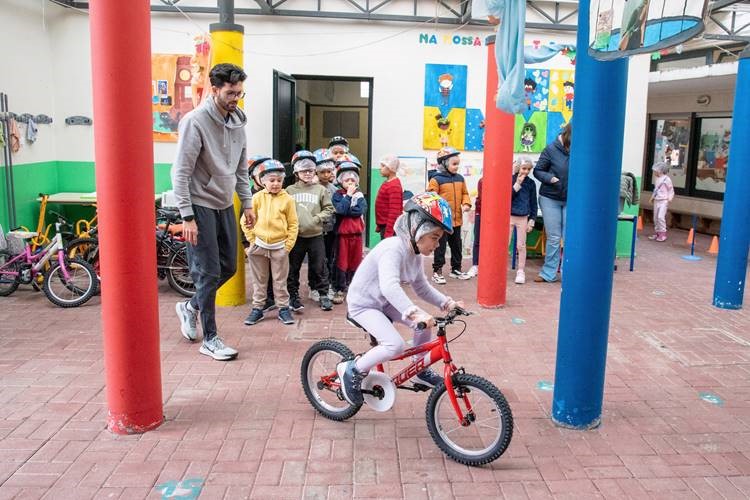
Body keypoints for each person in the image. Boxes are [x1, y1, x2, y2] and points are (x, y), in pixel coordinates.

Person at [336, 192, 464, 406]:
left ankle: (419, 370)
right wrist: (414, 311)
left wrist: (447, 303)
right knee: (394, 345)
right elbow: (389, 286)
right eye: (434, 237)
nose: (437, 245)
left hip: (383, 304)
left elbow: (421, 286)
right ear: (417, 230)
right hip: (364, 305)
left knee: (423, 326)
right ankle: (352, 370)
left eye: (439, 239)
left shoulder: (413, 254)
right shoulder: (393, 248)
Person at [172, 63, 252, 361]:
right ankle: (211, 338)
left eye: (240, 93)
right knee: (208, 272)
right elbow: (180, 172)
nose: (235, 98)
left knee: (229, 267)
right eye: (231, 93)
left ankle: (191, 306)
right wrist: (186, 215)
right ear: (215, 89)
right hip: (199, 205)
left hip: (223, 204)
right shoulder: (195, 122)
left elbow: (241, 168)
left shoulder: (238, 123)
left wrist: (247, 203)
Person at [241, 159, 298, 326]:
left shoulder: (287, 199)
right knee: (259, 280)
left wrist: (287, 246)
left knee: (280, 280)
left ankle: (283, 309)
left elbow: (293, 224)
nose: (275, 184)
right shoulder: (256, 198)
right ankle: (257, 309)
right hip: (258, 246)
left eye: (279, 180)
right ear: (262, 180)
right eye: (271, 180)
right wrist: (252, 240)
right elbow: (245, 220)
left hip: (279, 247)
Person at [286, 150, 336, 312]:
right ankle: (293, 296)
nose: (307, 173)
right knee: (293, 267)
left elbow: (329, 209)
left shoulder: (320, 190)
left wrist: (317, 219)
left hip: (316, 235)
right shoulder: (289, 191)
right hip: (296, 237)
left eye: (310, 170)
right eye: (303, 170)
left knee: (320, 266)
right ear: (296, 172)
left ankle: (323, 295)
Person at [427, 147, 471, 284]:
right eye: (454, 164)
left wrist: (466, 204)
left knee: (457, 245)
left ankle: (456, 269)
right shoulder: (436, 179)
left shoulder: (460, 179)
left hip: (457, 220)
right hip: (442, 221)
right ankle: (437, 271)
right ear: (444, 163)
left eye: (458, 164)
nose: (457, 167)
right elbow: (431, 197)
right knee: (440, 246)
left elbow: (465, 193)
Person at [533, 123, 571, 283]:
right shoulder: (551, 149)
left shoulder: (580, 149)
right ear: (566, 137)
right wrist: (550, 178)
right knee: (554, 237)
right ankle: (548, 273)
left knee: (570, 237)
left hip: (571, 199)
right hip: (550, 198)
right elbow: (538, 170)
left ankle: (569, 273)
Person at [331, 160, 367, 304]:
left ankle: (354, 286)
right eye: (347, 180)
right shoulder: (338, 195)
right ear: (341, 181)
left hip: (357, 234)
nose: (350, 182)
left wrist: (348, 209)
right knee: (341, 261)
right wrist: (348, 196)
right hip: (342, 235)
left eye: (353, 179)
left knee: (356, 260)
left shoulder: (360, 195)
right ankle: (340, 288)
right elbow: (340, 210)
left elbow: (359, 211)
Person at [248, 154, 277, 313]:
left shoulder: (277, 194)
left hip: (275, 241)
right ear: (254, 177)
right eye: (262, 175)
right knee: (260, 274)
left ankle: (273, 298)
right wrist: (247, 243)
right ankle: (261, 300)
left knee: (276, 273)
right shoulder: (250, 196)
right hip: (257, 241)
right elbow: (243, 222)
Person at [313, 148, 338, 302]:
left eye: (329, 172)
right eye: (322, 172)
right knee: (317, 258)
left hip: (331, 230)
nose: (326, 175)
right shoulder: (314, 189)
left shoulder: (335, 190)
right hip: (316, 230)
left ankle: (326, 284)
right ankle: (314, 286)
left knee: (329, 256)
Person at [510, 157, 538, 284]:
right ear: (518, 167)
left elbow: (533, 203)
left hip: (523, 217)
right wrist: (517, 184)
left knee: (521, 245)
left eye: (528, 169)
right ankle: (498, 269)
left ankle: (521, 271)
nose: (526, 171)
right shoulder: (511, 179)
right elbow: (508, 197)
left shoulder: (531, 183)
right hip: (509, 216)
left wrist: (532, 220)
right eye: (524, 168)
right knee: (504, 243)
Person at [375, 154, 404, 239]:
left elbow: (394, 212)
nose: (380, 168)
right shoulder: (387, 182)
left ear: (391, 168)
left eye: (383, 166)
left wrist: (388, 233)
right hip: (384, 225)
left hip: (390, 228)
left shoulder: (394, 186)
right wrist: (380, 224)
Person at [648, 161, 674, 242]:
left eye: (655, 170)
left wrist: (669, 198)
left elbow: (671, 189)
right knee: (655, 217)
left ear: (660, 170)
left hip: (664, 201)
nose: (654, 172)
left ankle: (663, 234)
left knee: (660, 217)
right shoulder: (657, 179)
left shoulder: (667, 179)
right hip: (657, 200)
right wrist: (652, 198)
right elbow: (656, 190)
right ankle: (657, 233)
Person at [466, 177, 482, 278]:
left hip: (494, 215)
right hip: (480, 213)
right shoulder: (482, 181)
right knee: (477, 240)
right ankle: (475, 265)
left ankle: (485, 264)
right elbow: (481, 198)